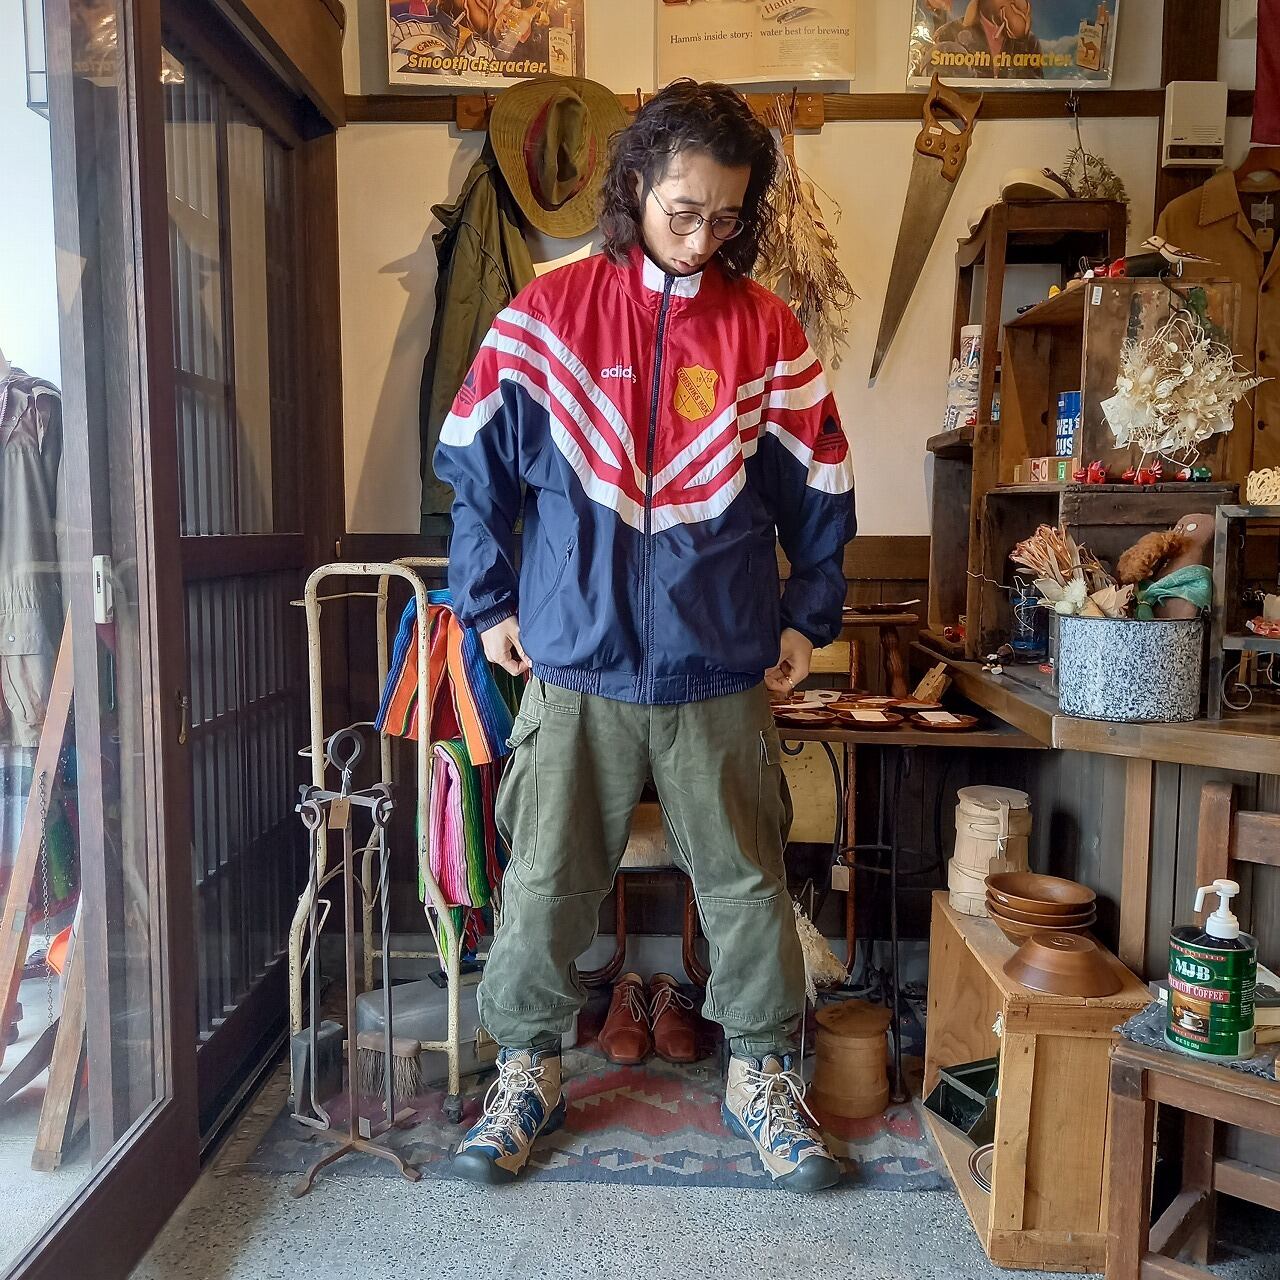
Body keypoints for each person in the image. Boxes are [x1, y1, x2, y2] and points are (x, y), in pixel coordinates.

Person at [435, 78, 856, 1191]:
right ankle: (525, 1069)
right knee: (543, 883)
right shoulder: (544, 315)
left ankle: (761, 1073)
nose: (703, 236)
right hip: (573, 660)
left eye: (726, 216)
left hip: (720, 662)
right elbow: (473, 475)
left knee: (747, 886)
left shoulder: (766, 329)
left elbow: (819, 481)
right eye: (682, 210)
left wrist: (809, 615)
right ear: (633, 185)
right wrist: (488, 604)